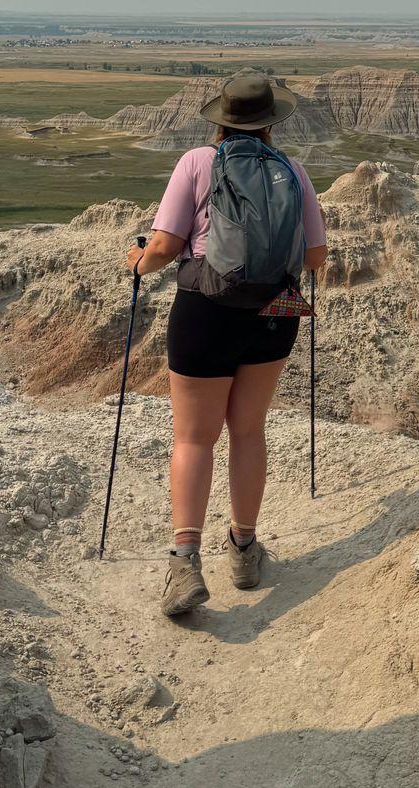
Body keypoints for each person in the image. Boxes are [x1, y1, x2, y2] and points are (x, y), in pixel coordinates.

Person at [124, 71, 327, 619]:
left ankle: (185, 563)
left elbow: (165, 245)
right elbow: (314, 257)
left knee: (193, 438)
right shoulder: (293, 169)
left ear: (219, 119)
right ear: (269, 123)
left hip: (206, 309)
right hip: (277, 311)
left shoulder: (196, 162)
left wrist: (138, 262)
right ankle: (243, 549)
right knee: (248, 430)